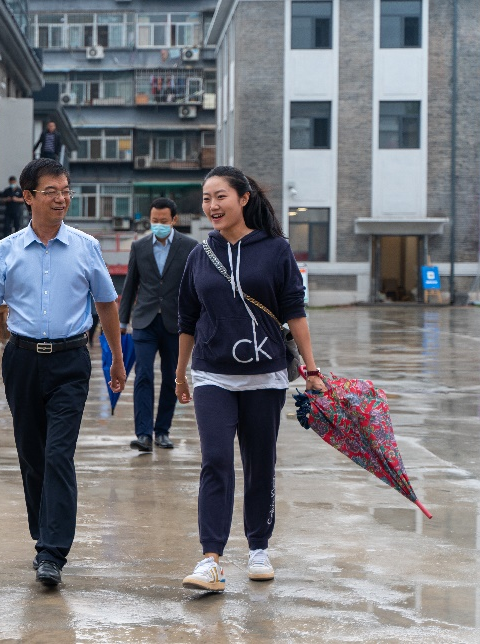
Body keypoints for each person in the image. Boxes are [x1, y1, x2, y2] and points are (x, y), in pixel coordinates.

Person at [0, 158, 126, 587]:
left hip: (70, 360)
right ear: (28, 197)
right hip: (21, 360)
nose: (61, 199)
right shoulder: (6, 250)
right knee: (32, 454)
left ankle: (53, 551)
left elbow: (106, 304)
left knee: (58, 454)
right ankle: (43, 536)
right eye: (51, 191)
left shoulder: (86, 247)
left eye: (66, 191)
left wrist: (116, 356)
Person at [175, 166, 326, 593]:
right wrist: (181, 372)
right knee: (216, 460)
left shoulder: (276, 250)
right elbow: (187, 318)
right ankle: (211, 559)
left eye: (220, 196)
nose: (212, 205)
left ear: (243, 199)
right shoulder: (200, 255)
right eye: (206, 198)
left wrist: (312, 369)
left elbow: (294, 310)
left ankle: (258, 547)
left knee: (260, 463)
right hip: (211, 373)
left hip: (265, 375)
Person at [119, 197, 198, 452]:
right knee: (143, 375)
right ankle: (143, 434)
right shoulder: (139, 247)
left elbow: (195, 287)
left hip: (176, 324)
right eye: (154, 220)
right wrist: (122, 321)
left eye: (163, 221)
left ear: (174, 220)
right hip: (145, 321)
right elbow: (130, 285)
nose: (159, 225)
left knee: (171, 377)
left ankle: (162, 431)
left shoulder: (190, 247)